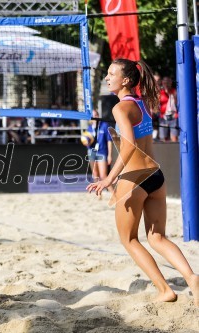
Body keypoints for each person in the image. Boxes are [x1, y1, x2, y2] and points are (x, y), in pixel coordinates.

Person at [87, 59, 199, 306]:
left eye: (111, 73)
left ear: (125, 80)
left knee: (129, 240)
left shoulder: (120, 109)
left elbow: (128, 146)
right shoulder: (142, 103)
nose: (107, 77)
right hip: (156, 176)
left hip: (134, 178)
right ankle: (192, 277)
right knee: (157, 237)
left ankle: (164, 290)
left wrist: (108, 178)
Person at [87, 109, 113, 194]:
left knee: (103, 175)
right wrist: (86, 141)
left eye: (96, 115)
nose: (94, 117)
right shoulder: (89, 128)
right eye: (92, 116)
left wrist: (109, 155)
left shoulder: (104, 125)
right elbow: (87, 143)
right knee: (95, 174)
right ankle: (98, 194)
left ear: (98, 116)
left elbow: (109, 140)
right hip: (92, 152)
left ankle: (113, 194)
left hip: (102, 151)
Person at [158, 76, 178, 142]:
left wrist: (169, 93)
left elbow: (176, 103)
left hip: (173, 116)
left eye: (167, 82)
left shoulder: (174, 91)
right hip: (163, 117)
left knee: (174, 136)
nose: (166, 84)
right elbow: (157, 104)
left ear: (171, 83)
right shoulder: (160, 93)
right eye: (164, 82)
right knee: (163, 137)